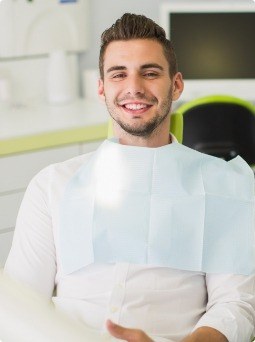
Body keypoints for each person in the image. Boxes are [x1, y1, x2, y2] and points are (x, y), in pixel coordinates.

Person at [4, 13, 255, 342]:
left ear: (176, 84)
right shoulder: (54, 185)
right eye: (118, 74)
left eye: (149, 73)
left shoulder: (225, 187)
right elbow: (20, 305)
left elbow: (235, 305)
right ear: (102, 88)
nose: (134, 87)